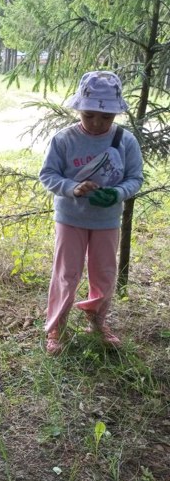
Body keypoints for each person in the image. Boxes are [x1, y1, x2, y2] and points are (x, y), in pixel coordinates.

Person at [39, 71, 143, 355]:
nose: (97, 123)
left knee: (105, 274)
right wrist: (72, 187)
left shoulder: (125, 141)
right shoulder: (64, 140)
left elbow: (135, 178)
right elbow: (47, 174)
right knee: (66, 273)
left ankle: (97, 322)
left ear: (115, 115)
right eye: (89, 115)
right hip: (70, 219)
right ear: (79, 110)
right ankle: (56, 328)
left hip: (107, 221)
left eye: (106, 117)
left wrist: (118, 193)